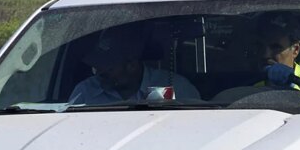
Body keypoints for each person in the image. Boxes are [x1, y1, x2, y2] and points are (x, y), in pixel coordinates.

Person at [69, 24, 201, 104]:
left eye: (107, 67)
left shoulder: (176, 87)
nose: (98, 73)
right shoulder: (85, 92)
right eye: (96, 66)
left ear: (131, 65)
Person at [254, 12, 300, 103]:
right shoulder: (256, 88)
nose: (265, 55)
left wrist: (292, 83)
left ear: (296, 49)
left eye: (276, 47)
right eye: (260, 46)